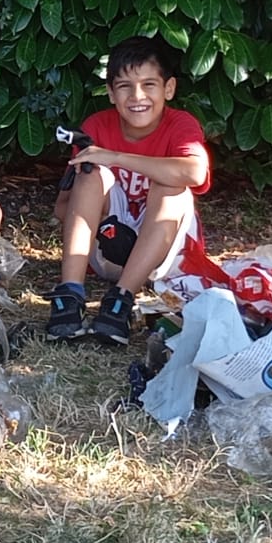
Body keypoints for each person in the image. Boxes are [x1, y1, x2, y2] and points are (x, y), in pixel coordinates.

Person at [46, 35, 213, 344]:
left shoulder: (180, 124)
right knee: (90, 174)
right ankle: (69, 293)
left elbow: (194, 171)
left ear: (169, 89)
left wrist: (115, 157)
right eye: (124, 86)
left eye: (149, 84)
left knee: (171, 185)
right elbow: (62, 207)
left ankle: (121, 300)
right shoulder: (97, 126)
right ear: (110, 93)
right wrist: (103, 220)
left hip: (163, 258)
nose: (138, 96)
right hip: (109, 248)